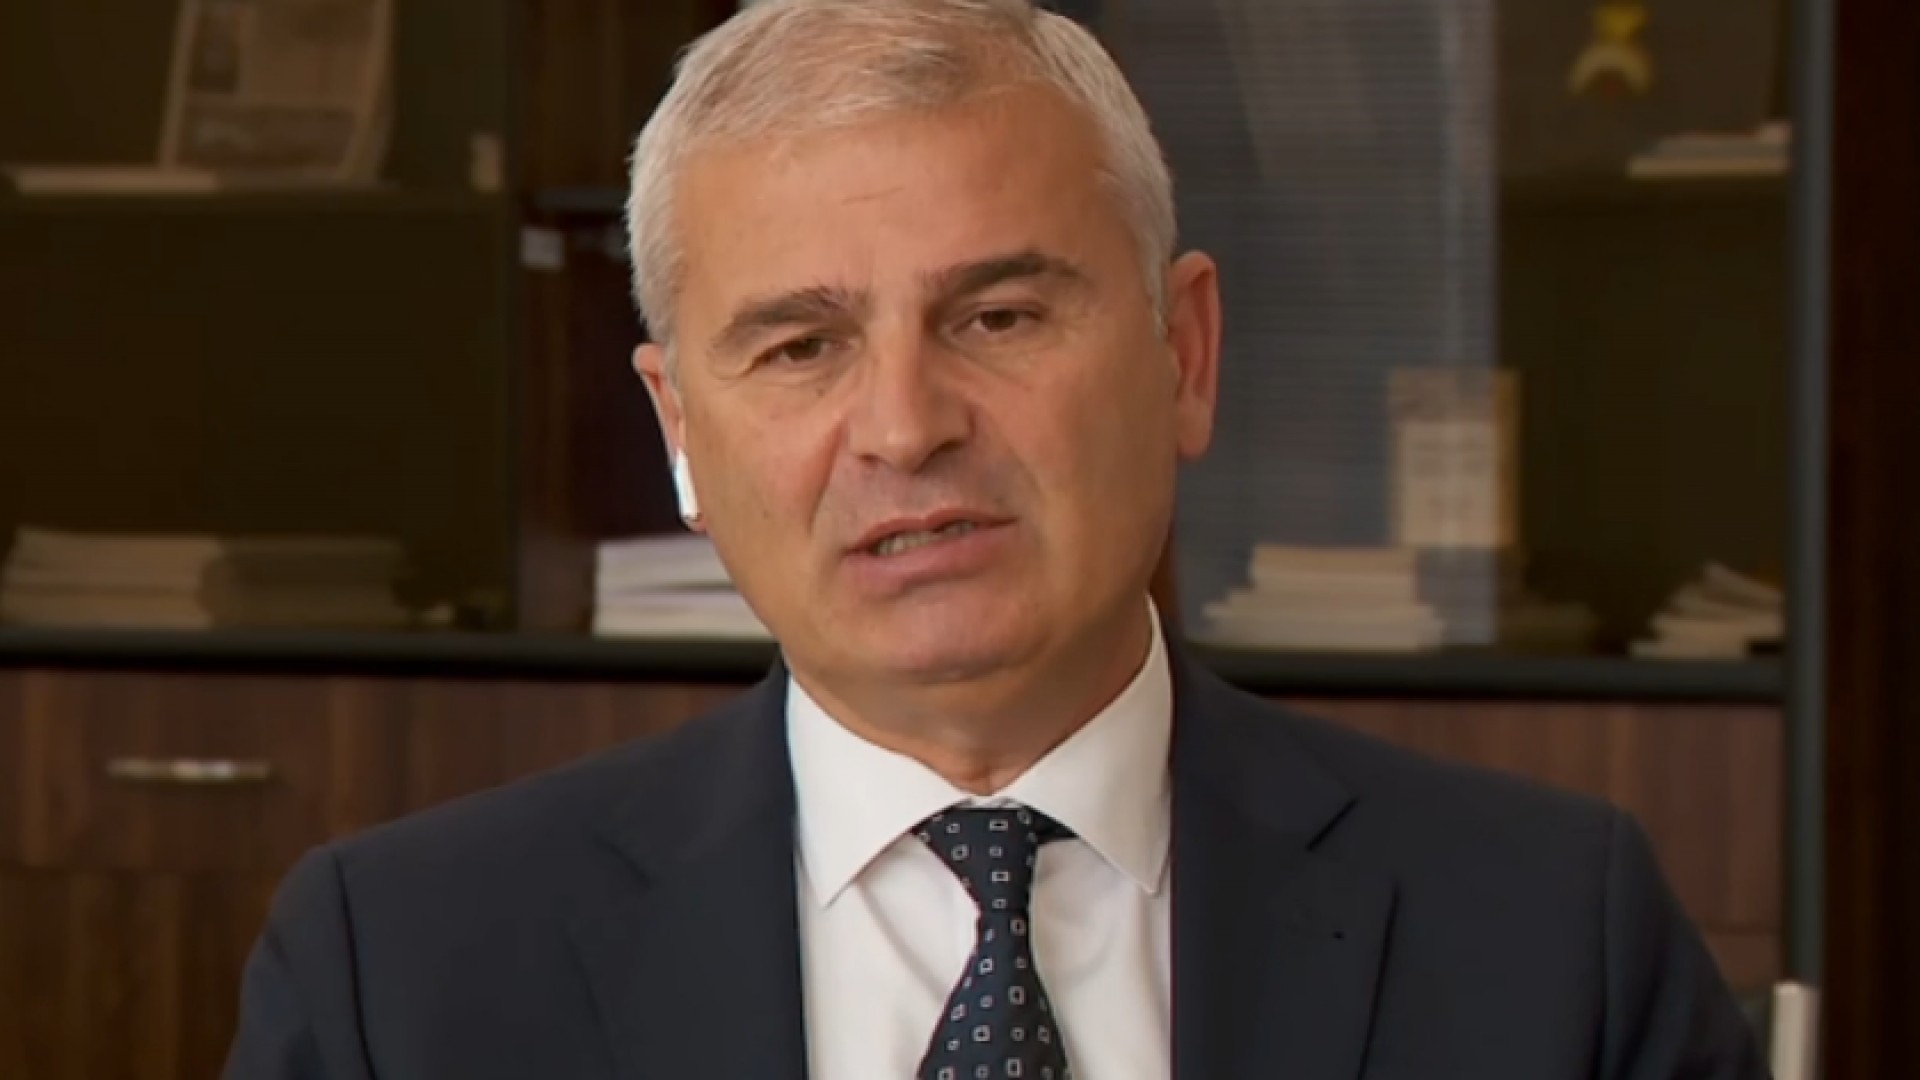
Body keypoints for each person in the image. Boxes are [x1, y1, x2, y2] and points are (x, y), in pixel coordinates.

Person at [223, 1, 1768, 1077]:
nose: (904, 428)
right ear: (681, 430)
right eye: (801, 346)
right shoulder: (400, 976)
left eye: (1000, 316)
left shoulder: (1555, 939)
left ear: (1184, 354)